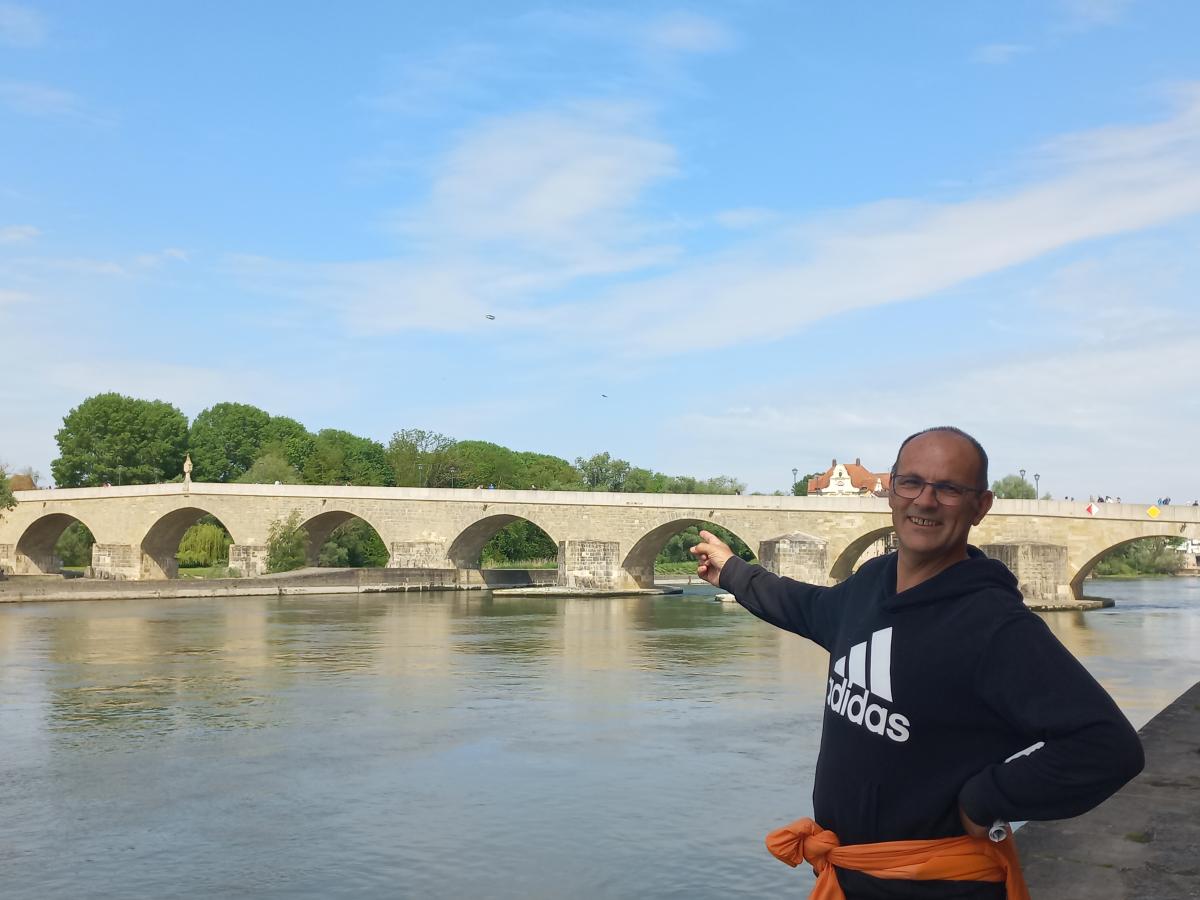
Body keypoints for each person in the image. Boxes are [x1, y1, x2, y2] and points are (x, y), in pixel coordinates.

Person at [690, 426, 1143, 899]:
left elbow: (1107, 747)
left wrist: (986, 798)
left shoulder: (993, 625)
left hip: (936, 886)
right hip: (849, 877)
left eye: (949, 488)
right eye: (911, 482)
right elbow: (806, 606)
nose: (925, 500)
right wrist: (733, 572)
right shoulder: (872, 583)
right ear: (891, 491)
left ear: (980, 506)